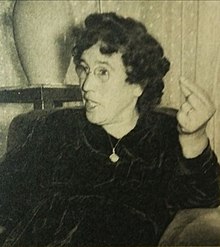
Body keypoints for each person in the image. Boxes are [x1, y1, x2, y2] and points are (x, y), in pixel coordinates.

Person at [0, 12, 220, 246]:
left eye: (102, 72)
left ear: (137, 84)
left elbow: (202, 202)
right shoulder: (55, 129)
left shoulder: (163, 135)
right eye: (84, 69)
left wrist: (194, 138)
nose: (86, 85)